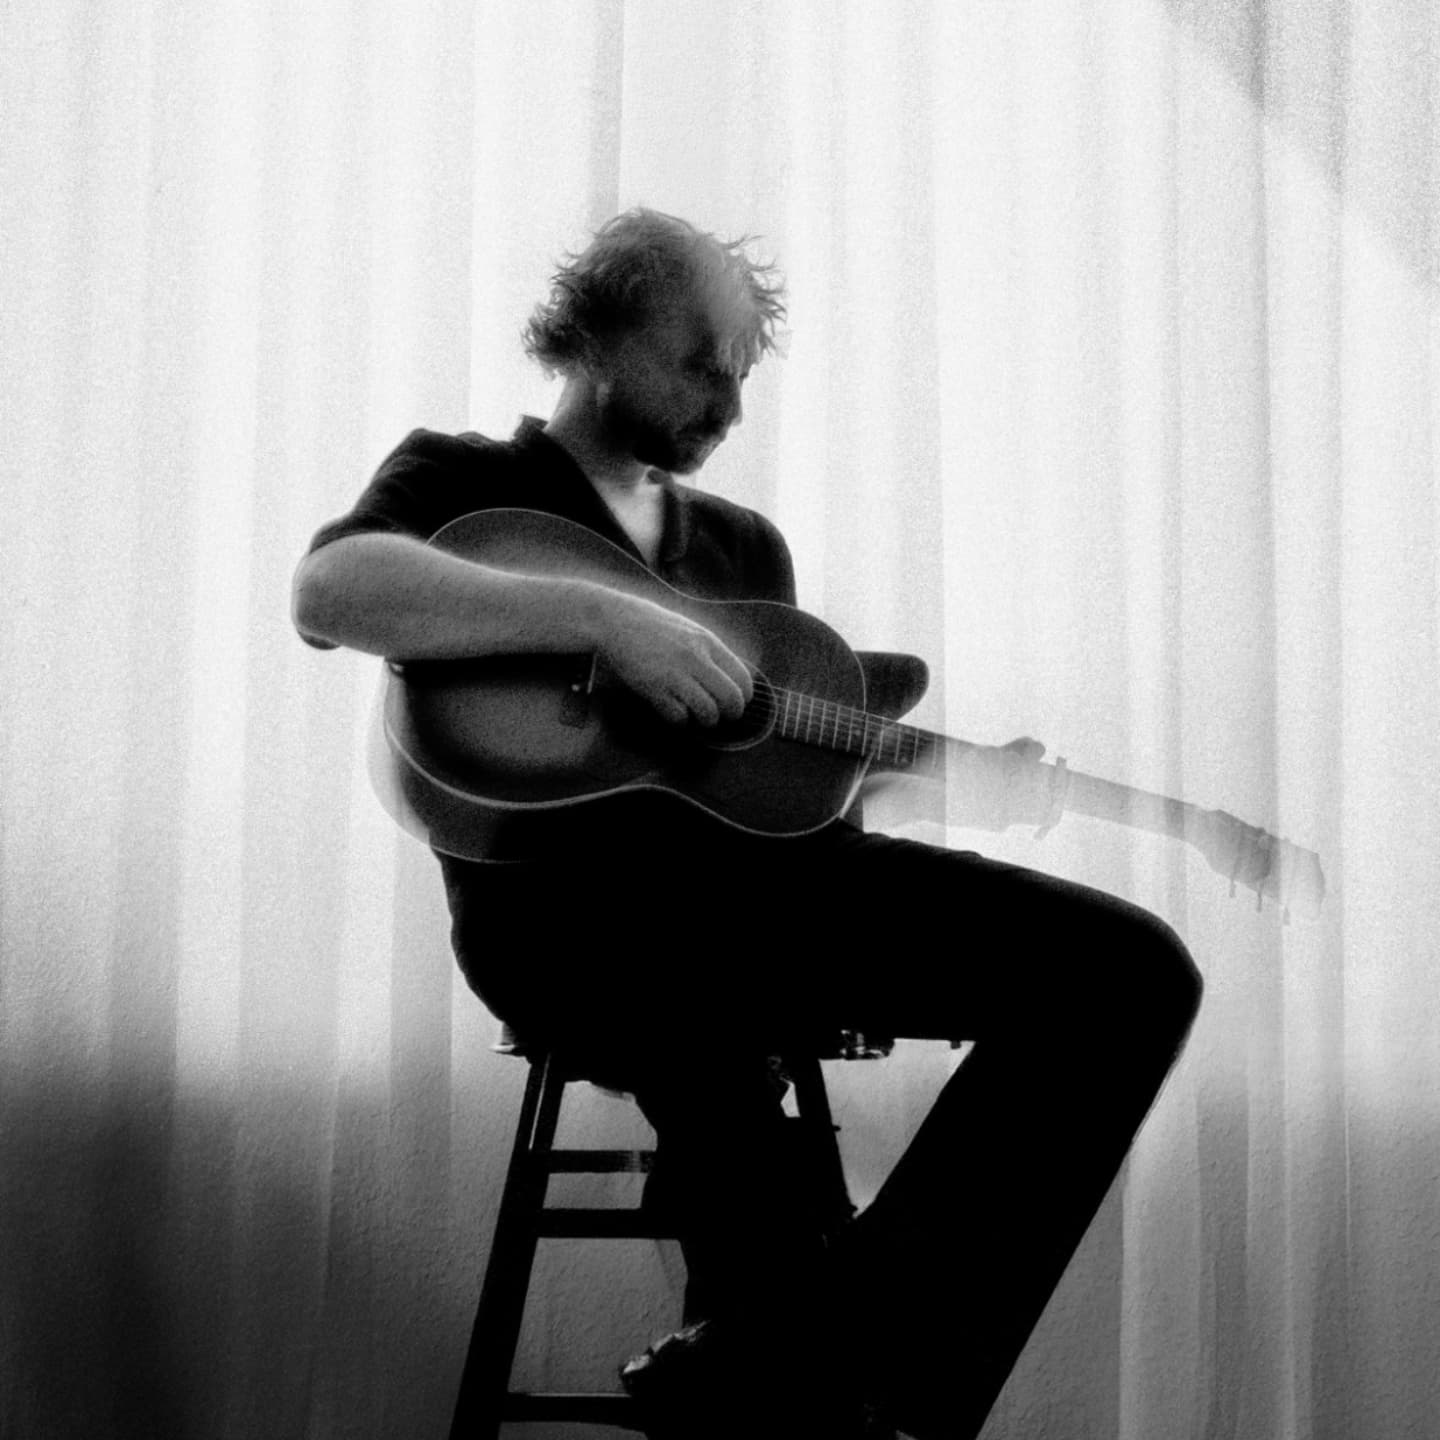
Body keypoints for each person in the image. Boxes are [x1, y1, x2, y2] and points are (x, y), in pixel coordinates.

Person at [292, 209, 1203, 1440]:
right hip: (572, 920)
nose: (727, 404)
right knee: (715, 1061)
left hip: (775, 898)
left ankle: (793, 1346)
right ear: (599, 339)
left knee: (1131, 971)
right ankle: (824, 1375)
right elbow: (332, 590)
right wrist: (606, 621)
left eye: (741, 375)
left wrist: (954, 781)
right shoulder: (470, 484)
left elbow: (765, 787)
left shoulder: (740, 545)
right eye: (699, 364)